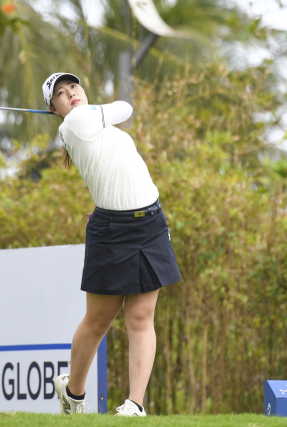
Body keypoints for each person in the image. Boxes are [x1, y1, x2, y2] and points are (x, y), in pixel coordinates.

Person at [42, 72, 181, 416]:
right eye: (60, 94)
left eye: (73, 86)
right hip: (112, 228)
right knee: (99, 319)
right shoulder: (73, 125)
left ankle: (134, 404)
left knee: (141, 317)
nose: (70, 93)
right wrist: (84, 110)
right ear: (55, 109)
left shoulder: (100, 125)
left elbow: (123, 111)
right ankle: (73, 394)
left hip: (150, 222)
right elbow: (124, 106)